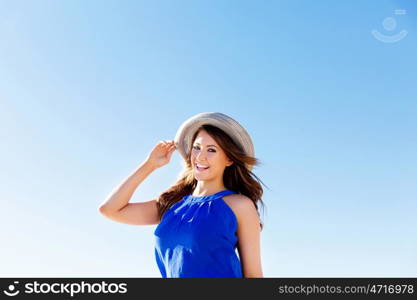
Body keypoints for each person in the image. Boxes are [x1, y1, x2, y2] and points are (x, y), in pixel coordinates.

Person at [99, 112, 266, 278]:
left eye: (212, 150)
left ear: (229, 159)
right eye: (197, 147)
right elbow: (110, 209)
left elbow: (253, 276)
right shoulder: (173, 205)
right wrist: (150, 165)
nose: (200, 156)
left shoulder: (239, 205)